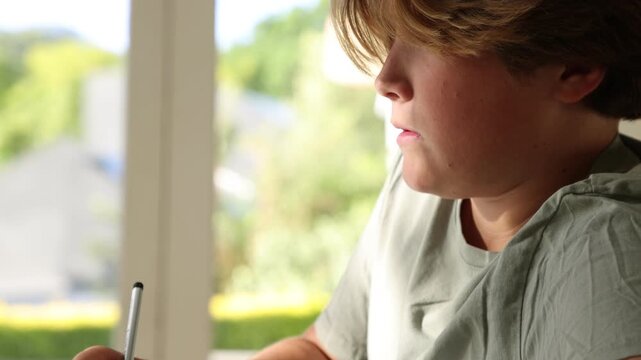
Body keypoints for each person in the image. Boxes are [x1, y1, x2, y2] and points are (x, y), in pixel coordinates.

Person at [75, 0, 641, 359]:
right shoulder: (426, 190)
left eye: (432, 41)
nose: (386, 77)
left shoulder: (611, 253)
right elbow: (324, 351)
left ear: (575, 64)